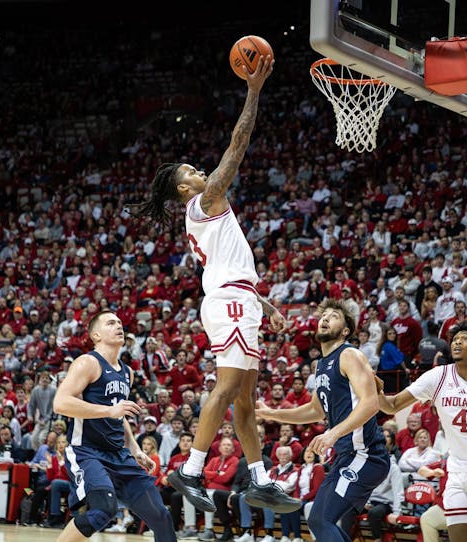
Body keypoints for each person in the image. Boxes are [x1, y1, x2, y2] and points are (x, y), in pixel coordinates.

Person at [136, 54, 296, 515]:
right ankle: (190, 470)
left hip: (237, 298)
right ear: (184, 189)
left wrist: (264, 305)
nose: (198, 170)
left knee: (244, 397)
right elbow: (238, 142)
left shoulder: (203, 212)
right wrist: (253, 91)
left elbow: (228, 268)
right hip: (228, 303)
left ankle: (261, 479)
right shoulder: (205, 201)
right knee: (227, 389)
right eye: (189, 170)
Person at [378, 320, 467, 542]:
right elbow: (392, 405)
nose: (457, 342)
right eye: (455, 339)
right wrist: (373, 389)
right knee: (459, 536)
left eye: (464, 339)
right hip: (458, 470)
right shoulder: (437, 377)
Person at [256, 299, 389, 542]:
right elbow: (315, 410)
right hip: (348, 455)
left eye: (334, 316)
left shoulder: (349, 354)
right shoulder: (322, 365)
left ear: (346, 330)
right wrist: (270, 413)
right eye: (323, 315)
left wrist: (332, 433)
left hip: (367, 454)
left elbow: (371, 403)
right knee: (318, 519)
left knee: (321, 519)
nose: (325, 319)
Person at [51, 311, 176, 542]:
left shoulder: (126, 372)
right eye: (111, 323)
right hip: (87, 452)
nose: (118, 326)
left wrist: (135, 449)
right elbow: (60, 403)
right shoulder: (87, 362)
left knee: (160, 515)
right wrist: (109, 411)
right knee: (103, 510)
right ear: (96, 335)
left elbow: (120, 415)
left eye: (119, 322)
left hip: (119, 455)